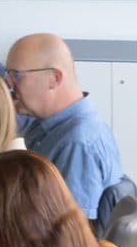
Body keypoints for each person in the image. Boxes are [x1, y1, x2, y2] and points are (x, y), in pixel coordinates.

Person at [9, 34, 128, 221]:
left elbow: (69, 238)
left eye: (16, 75)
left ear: (54, 78)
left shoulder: (77, 143)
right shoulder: (51, 125)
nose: (10, 85)